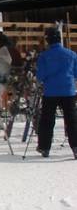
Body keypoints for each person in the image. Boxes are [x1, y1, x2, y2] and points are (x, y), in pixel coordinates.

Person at [35, 26, 77, 158]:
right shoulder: (72, 54)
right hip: (68, 91)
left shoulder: (44, 56)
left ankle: (44, 147)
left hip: (51, 92)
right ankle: (75, 147)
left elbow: (40, 75)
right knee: (72, 120)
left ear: (48, 40)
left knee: (47, 120)